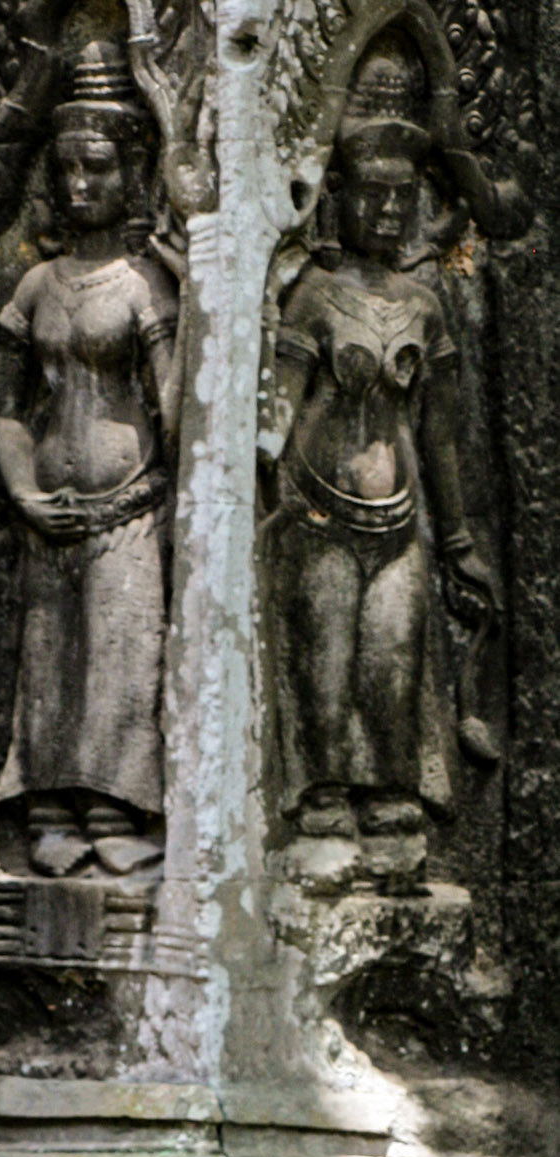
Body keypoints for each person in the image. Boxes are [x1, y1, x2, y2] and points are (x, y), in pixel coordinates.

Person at [263, 26, 499, 869]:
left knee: (391, 666)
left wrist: (459, 539)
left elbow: (438, 431)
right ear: (339, 197)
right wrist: (260, 474)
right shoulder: (313, 297)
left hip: (398, 525)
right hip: (319, 518)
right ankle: (323, 797)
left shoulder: (422, 304)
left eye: (402, 197)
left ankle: (390, 795)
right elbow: (278, 408)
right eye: (372, 194)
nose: (389, 210)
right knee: (325, 668)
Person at [0, 40, 182, 880]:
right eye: (65, 169)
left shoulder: (143, 284)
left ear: (131, 175)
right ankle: (49, 807)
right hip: (48, 513)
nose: (77, 186)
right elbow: (3, 406)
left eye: (96, 168)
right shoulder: (37, 285)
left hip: (125, 508)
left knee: (120, 657)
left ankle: (115, 807)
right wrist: (23, 492)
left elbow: (175, 409)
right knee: (49, 662)